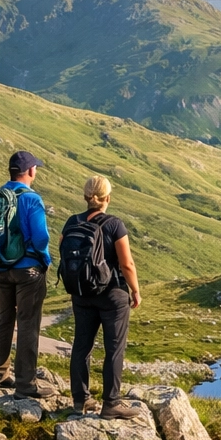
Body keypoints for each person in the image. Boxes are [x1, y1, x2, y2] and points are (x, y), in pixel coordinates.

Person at [62, 175, 143, 417]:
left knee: (81, 346)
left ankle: (80, 400)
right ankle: (111, 403)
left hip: (81, 293)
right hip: (112, 295)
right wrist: (136, 290)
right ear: (107, 198)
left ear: (86, 197)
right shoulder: (114, 224)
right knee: (114, 348)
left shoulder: (71, 222)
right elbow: (126, 263)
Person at [0, 151, 55, 397]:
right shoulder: (31, 199)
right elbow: (40, 237)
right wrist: (45, 259)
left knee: (3, 319)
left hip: (1, 268)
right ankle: (26, 384)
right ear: (30, 171)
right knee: (28, 323)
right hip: (28, 270)